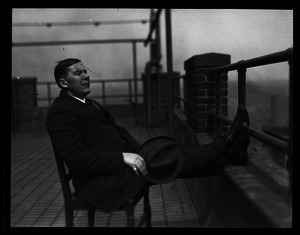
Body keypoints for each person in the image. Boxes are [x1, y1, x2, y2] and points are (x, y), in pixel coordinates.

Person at [46, 58, 250, 212]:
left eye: (85, 71)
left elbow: (119, 133)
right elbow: (76, 157)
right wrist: (123, 157)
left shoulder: (85, 104)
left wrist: (139, 152)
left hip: (115, 170)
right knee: (169, 160)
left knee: (168, 157)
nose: (86, 76)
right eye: (78, 73)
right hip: (103, 183)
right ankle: (227, 146)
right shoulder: (62, 112)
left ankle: (229, 151)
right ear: (64, 83)